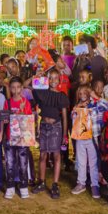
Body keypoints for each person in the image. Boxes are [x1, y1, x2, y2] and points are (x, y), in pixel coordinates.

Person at [32, 68, 69, 199]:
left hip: (56, 127)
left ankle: (55, 184)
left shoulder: (62, 96)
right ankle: (41, 181)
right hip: (44, 126)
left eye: (55, 78)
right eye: (50, 78)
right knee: (42, 155)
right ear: (47, 80)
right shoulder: (42, 93)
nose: (53, 80)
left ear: (59, 80)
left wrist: (65, 135)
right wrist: (37, 77)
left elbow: (64, 117)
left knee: (56, 156)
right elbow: (31, 86)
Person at [4, 76, 33, 199]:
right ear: (10, 88)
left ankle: (23, 186)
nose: (15, 90)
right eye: (13, 88)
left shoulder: (26, 102)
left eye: (18, 87)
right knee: (10, 163)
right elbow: (5, 119)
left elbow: (28, 120)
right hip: (10, 137)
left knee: (23, 163)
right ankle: (10, 186)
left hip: (22, 139)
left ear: (21, 88)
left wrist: (21, 111)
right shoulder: (8, 102)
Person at [70, 85, 101, 198]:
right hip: (80, 137)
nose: (83, 95)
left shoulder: (96, 104)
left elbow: (104, 106)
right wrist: (77, 108)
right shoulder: (77, 106)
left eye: (85, 92)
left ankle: (95, 185)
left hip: (92, 137)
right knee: (81, 161)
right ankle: (81, 183)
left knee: (93, 162)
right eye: (80, 93)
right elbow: (72, 117)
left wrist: (94, 97)